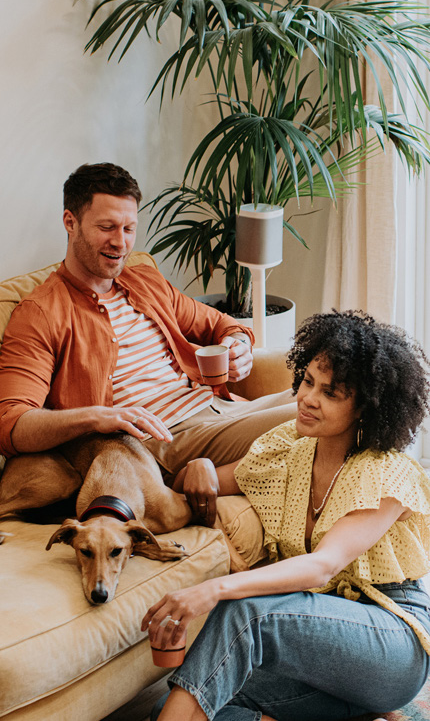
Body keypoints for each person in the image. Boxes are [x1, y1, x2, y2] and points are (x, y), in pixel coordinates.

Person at [142, 310, 430, 721]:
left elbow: (321, 567)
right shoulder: (289, 449)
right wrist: (201, 467)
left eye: (331, 393)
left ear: (365, 407)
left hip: (391, 645)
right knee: (190, 705)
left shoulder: (386, 471)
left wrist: (214, 589)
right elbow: (219, 480)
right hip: (319, 654)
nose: (308, 398)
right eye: (308, 381)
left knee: (244, 611)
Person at [0, 162, 296, 518]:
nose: (120, 242)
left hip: (221, 407)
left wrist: (239, 346)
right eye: (106, 227)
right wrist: (98, 417)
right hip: (162, 439)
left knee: (335, 393)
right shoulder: (41, 312)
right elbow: (12, 423)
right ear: (70, 222)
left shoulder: (144, 281)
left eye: (129, 228)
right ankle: (191, 481)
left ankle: (210, 478)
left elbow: (221, 324)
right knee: (317, 414)